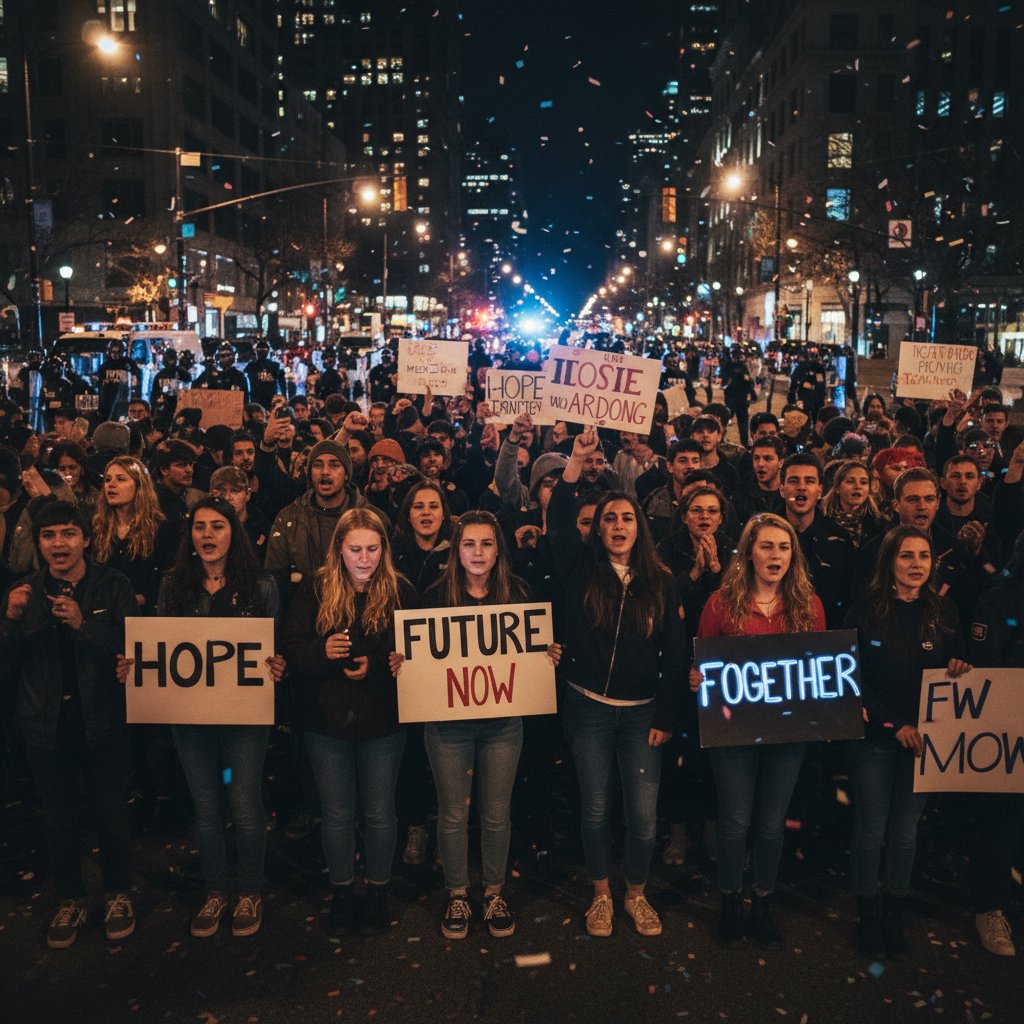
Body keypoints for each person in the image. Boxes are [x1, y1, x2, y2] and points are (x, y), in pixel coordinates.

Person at [391, 510, 560, 941]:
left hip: (503, 723)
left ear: (498, 550)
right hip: (448, 727)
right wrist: (402, 664)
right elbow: (417, 654)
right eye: (469, 544)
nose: (478, 552)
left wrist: (547, 656)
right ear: (457, 550)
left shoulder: (518, 593)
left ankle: (495, 892)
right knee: (451, 813)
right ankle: (458, 894)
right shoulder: (432, 597)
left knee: (496, 813)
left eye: (486, 544)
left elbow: (530, 653)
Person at [549, 426, 687, 938]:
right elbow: (560, 523)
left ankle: (637, 893)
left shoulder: (661, 580)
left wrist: (668, 717)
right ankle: (602, 895)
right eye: (610, 519)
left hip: (643, 714)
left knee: (644, 816)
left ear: (639, 528)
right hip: (587, 706)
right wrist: (574, 465)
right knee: (596, 809)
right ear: (599, 530)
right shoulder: (580, 569)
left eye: (627, 518)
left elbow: (674, 654)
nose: (619, 525)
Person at [1, 500, 138, 948]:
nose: (58, 544)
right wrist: (11, 622)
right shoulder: (24, 592)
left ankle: (118, 893)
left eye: (67, 533)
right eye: (49, 536)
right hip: (45, 724)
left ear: (86, 539)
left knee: (112, 814)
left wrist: (83, 625)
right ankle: (70, 898)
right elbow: (7, 668)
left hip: (103, 719)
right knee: (59, 820)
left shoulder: (112, 585)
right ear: (38, 544)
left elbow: (131, 650)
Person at [148, 498, 286, 938]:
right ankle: (214, 891)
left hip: (245, 717)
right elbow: (160, 643)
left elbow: (272, 642)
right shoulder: (173, 585)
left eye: (218, 527)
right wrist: (140, 664)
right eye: (200, 527)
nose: (207, 535)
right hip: (190, 717)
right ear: (189, 536)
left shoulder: (261, 585)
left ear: (234, 533)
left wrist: (276, 666)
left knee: (244, 804)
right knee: (206, 808)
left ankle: (248, 890)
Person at [692, 512, 825, 947]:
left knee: (770, 824)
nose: (776, 555)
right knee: (733, 821)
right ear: (749, 552)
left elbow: (818, 669)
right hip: (733, 734)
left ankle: (763, 899)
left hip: (788, 736)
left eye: (784, 548)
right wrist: (697, 677)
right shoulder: (719, 603)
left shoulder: (810, 605)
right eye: (767, 546)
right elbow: (702, 662)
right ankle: (730, 899)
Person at [284, 508, 416, 935]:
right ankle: (341, 890)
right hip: (327, 724)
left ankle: (378, 890)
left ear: (384, 548)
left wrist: (379, 663)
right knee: (337, 814)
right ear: (338, 549)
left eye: (373, 549)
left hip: (383, 723)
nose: (364, 558)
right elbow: (292, 650)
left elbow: (417, 653)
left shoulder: (401, 591)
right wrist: (323, 652)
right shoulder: (315, 589)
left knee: (380, 813)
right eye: (355, 549)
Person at [844, 525, 969, 961]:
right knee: (871, 828)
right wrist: (892, 723)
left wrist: (959, 664)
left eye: (923, 556)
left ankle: (894, 912)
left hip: (927, 741)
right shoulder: (864, 610)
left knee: (904, 833)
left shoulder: (946, 611)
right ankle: (868, 912)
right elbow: (851, 678)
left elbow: (952, 673)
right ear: (889, 563)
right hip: (875, 738)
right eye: (906, 557)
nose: (916, 565)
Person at [966, 530, 1024, 956]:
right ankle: (989, 908)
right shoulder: (1000, 599)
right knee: (1000, 822)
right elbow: (989, 673)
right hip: (1006, 730)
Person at [820, 459, 884, 549]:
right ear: (837, 488)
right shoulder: (819, 517)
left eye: (863, 482)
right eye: (850, 481)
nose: (858, 487)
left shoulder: (878, 524)